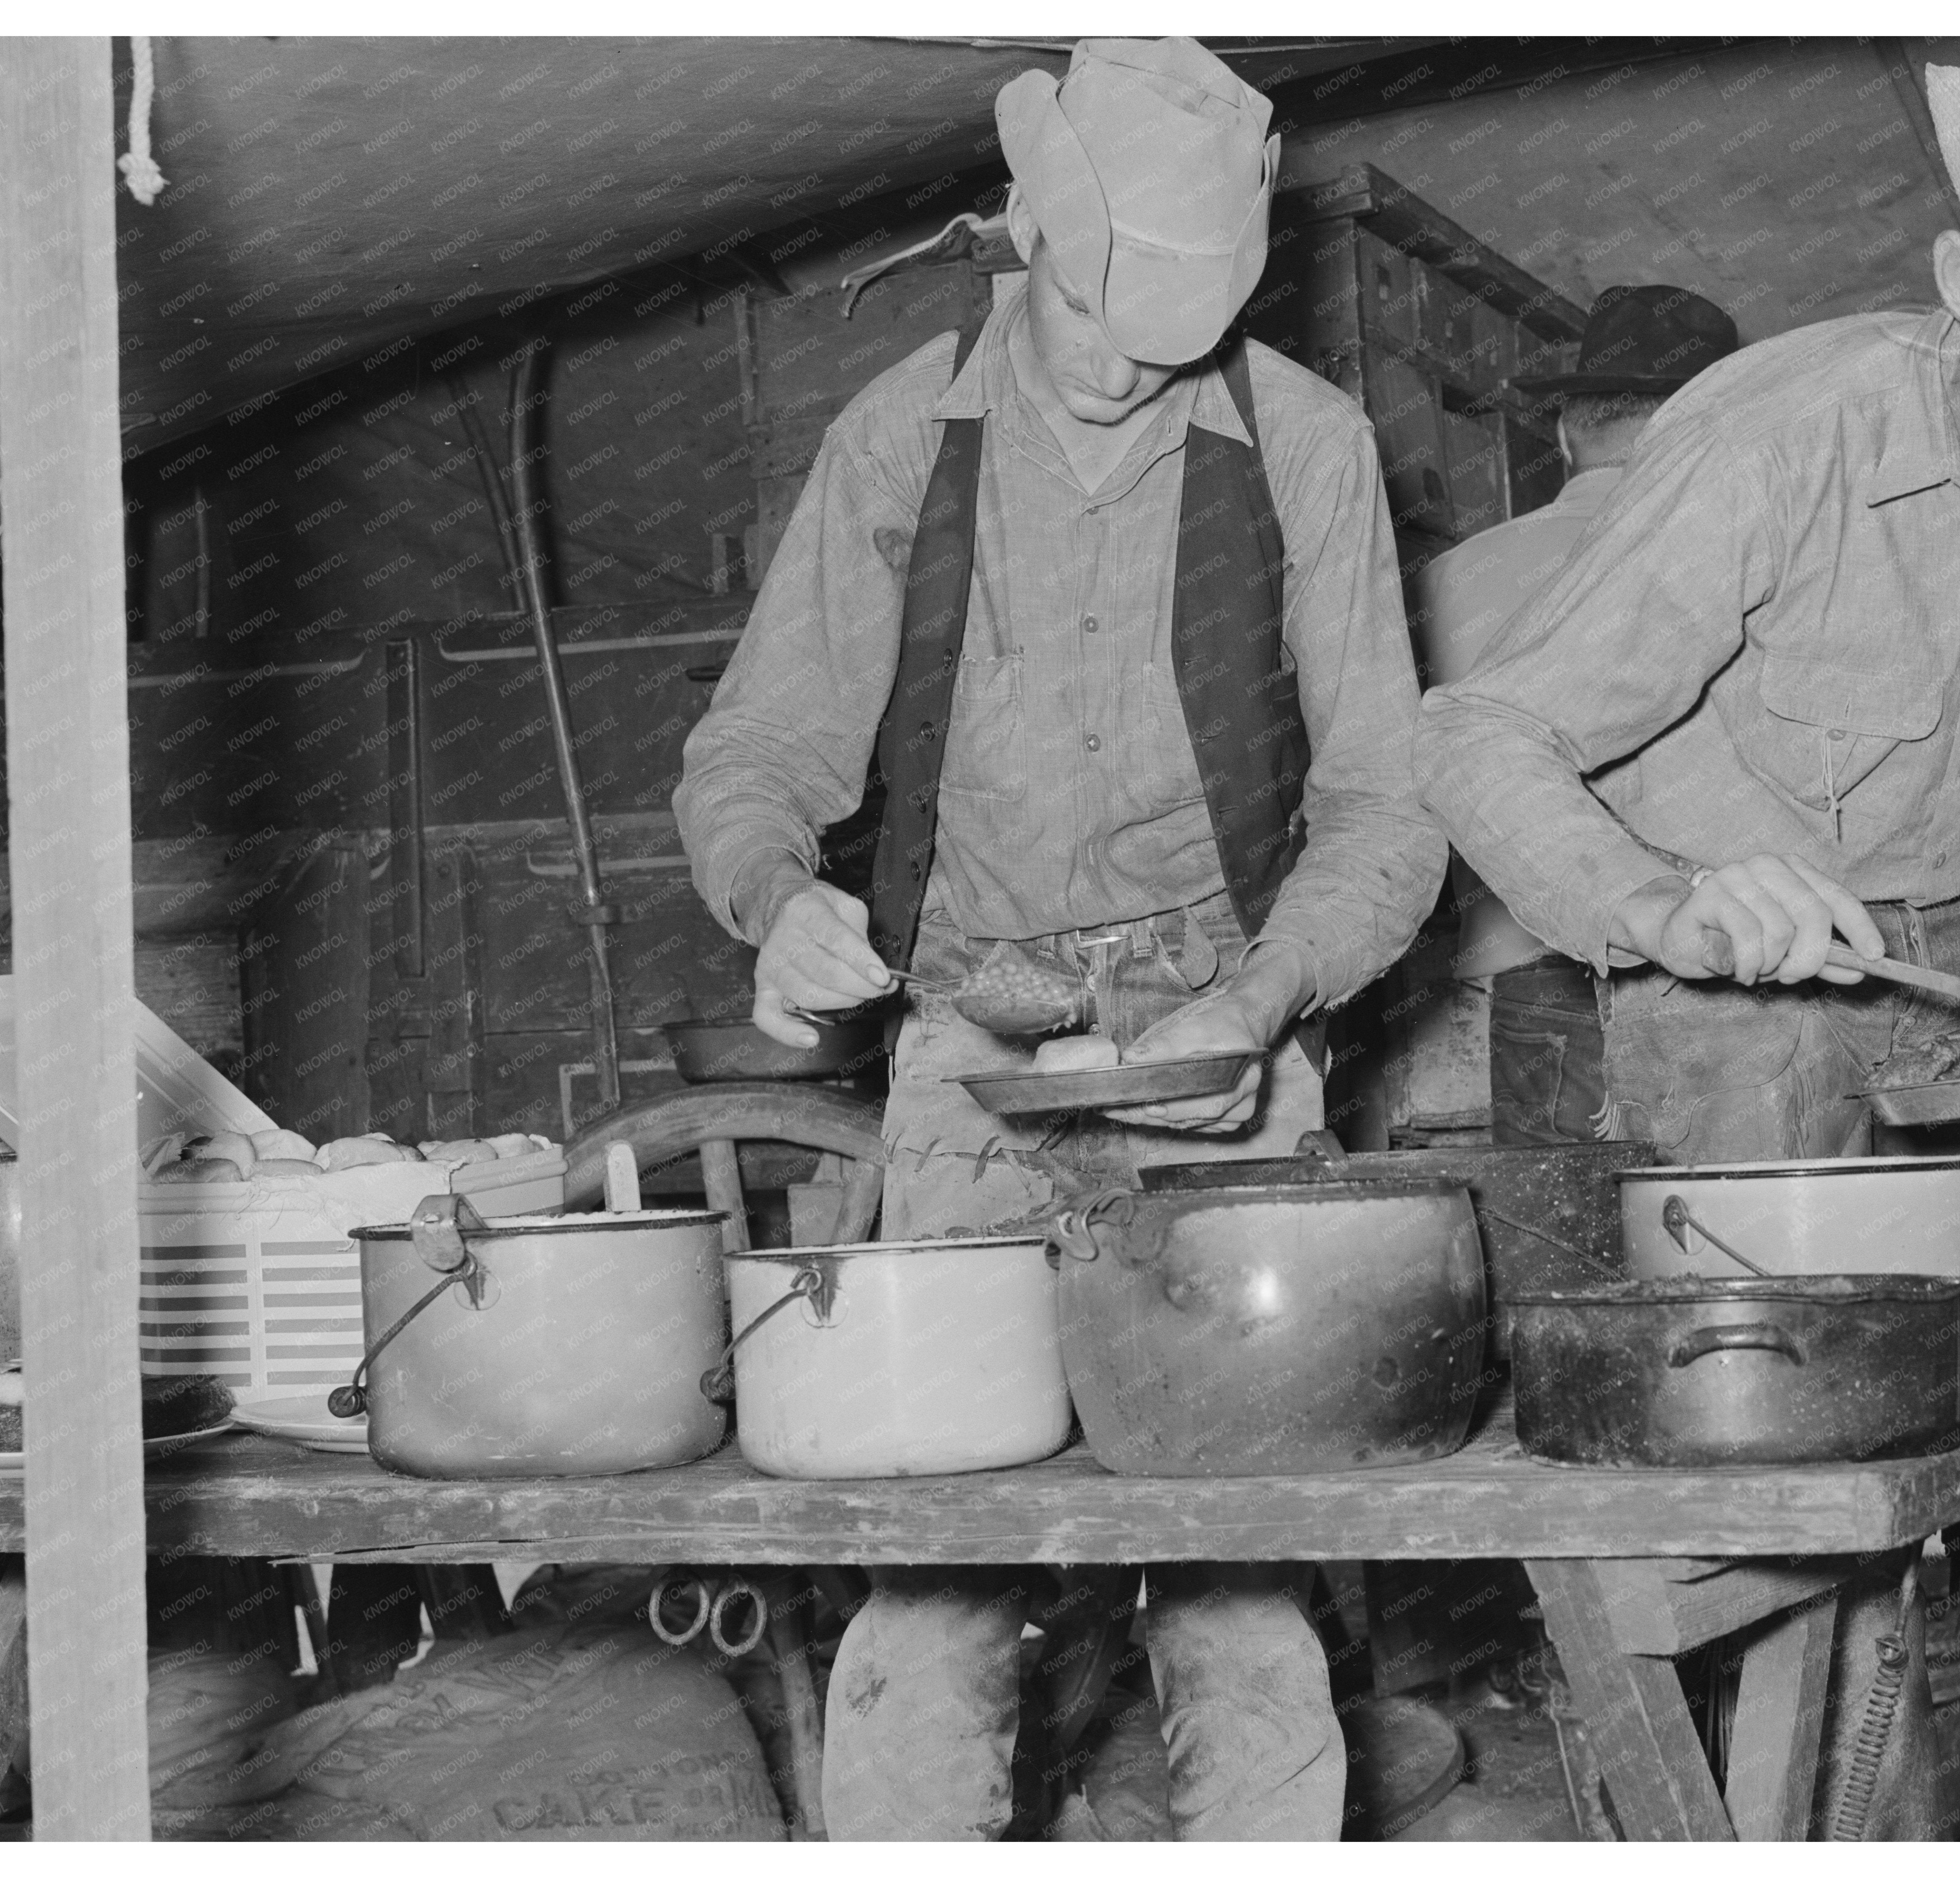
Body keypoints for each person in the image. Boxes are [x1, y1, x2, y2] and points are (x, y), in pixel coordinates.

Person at [1418, 37, 1960, 1841]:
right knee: (1780, 1531)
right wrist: (1656, 901)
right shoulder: (1776, 435)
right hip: (1717, 976)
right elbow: (1479, 733)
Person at [675, 37, 1445, 1840]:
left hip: (1223, 1050)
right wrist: (774, 894)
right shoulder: (898, 432)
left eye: (1172, 332)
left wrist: (1262, 1002)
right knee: (928, 1582)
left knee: (1237, 1590)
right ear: (1023, 227)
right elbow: (763, 747)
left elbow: (1386, 806)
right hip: (972, 1057)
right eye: (1095, 313)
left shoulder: (1307, 450)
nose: (1123, 370)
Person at [1412, 285, 1738, 1147]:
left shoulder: (1440, 582)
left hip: (1505, 986)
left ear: (1562, 433)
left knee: (1555, 1260)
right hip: (1715, 976)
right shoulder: (1744, 563)